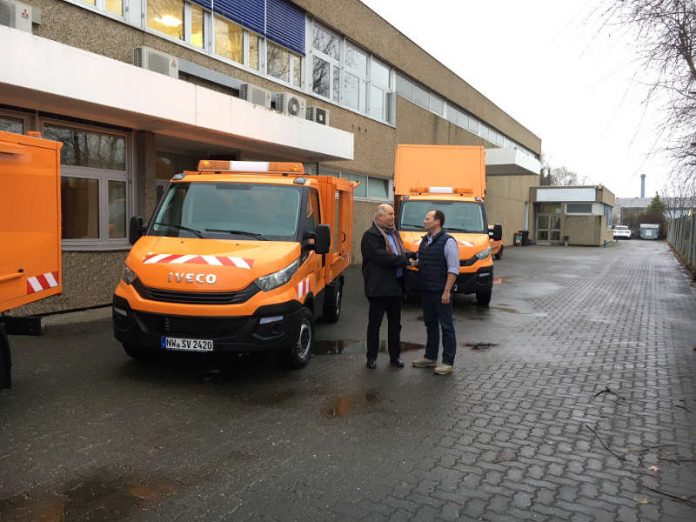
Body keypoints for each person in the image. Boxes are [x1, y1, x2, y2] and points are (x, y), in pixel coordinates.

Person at [361, 204, 414, 369]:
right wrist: (406, 261)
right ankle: (371, 358)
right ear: (379, 217)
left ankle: (395, 357)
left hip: (395, 287)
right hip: (378, 288)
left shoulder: (394, 234)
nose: (393, 217)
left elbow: (400, 253)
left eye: (393, 214)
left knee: (395, 325)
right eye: (390, 214)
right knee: (375, 325)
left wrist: (413, 255)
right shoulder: (370, 236)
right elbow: (383, 257)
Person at [412, 210, 459, 375]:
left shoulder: (448, 242)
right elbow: (422, 260)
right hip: (427, 291)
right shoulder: (425, 241)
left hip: (440, 292)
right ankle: (430, 357)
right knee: (430, 324)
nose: (424, 221)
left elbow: (453, 269)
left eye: (427, 219)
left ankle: (447, 362)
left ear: (437, 222)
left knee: (446, 326)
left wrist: (447, 291)